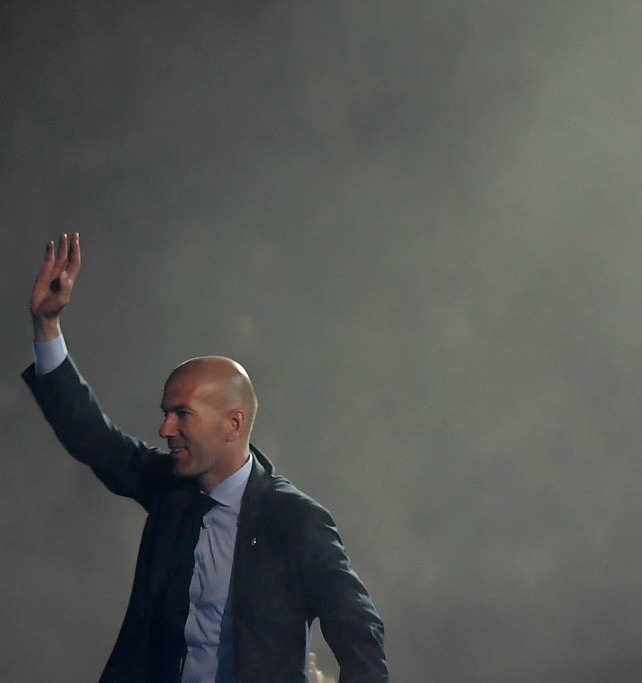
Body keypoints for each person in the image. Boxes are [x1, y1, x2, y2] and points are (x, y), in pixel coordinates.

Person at [22, 233, 388, 682]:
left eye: (182, 414)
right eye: (165, 413)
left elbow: (360, 634)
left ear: (232, 424)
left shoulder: (292, 520)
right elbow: (91, 436)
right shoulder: (169, 488)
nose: (165, 429)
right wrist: (47, 327)